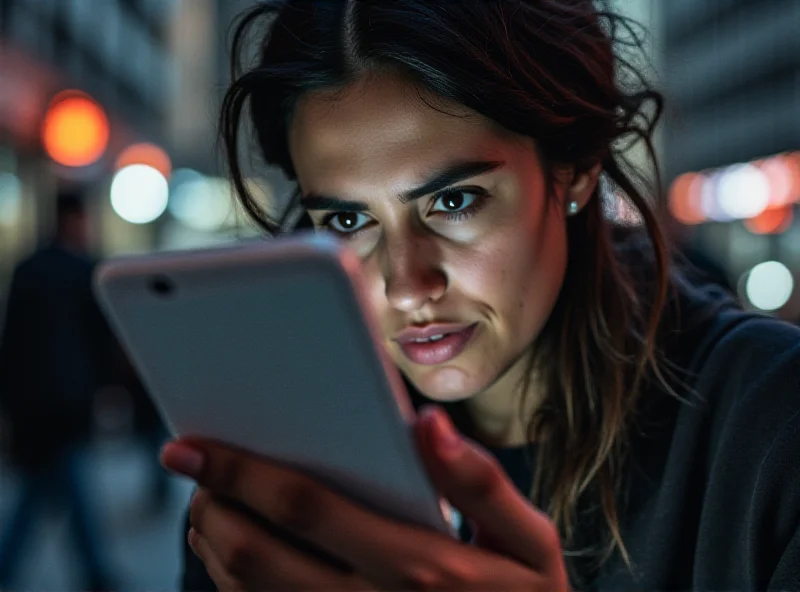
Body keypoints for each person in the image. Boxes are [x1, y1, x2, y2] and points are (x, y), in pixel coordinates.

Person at [164, 1, 800, 590]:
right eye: (349, 222)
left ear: (575, 165)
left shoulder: (773, 432)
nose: (407, 286)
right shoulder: (284, 472)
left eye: (454, 201)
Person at [0, 189, 116, 590]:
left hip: (32, 405)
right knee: (62, 487)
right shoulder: (86, 271)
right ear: (76, 219)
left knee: (47, 488)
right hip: (68, 402)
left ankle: (94, 572)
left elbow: (10, 342)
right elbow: (101, 340)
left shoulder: (27, 269)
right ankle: (96, 574)